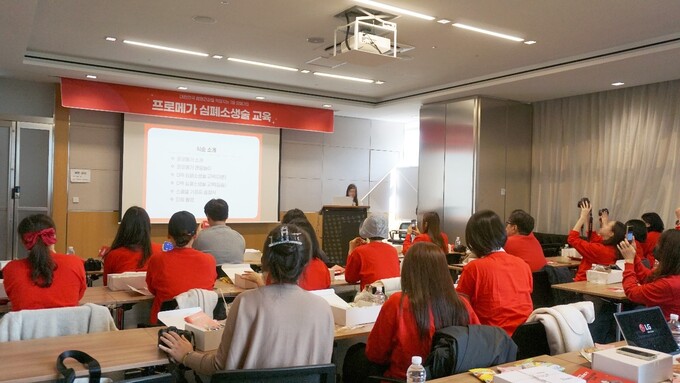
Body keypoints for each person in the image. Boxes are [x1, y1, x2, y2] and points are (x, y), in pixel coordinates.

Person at [159, 224, 334, 374]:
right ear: (305, 264)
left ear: (264, 261)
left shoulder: (245, 303)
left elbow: (219, 367)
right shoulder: (323, 308)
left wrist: (186, 355)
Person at [364, 242, 480, 380]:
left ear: (408, 271)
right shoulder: (462, 304)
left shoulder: (398, 303)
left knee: (357, 356)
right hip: (451, 379)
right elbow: (475, 345)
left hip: (404, 378)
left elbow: (375, 353)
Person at [456, 210, 533, 335]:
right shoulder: (523, 265)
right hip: (525, 338)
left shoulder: (474, 268)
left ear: (474, 239)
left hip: (490, 340)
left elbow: (459, 308)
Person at [3, 214, 86, 311]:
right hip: (67, 326)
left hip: (28, 326)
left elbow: (13, 297)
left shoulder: (11, 269)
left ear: (23, 241)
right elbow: (78, 296)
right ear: (54, 236)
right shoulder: (75, 263)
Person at [146, 211, 217, 324]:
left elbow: (152, 289)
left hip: (164, 326)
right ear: (195, 234)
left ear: (169, 234)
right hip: (200, 325)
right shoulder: (209, 260)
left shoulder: (157, 259)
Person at [618, 230, 680, 320]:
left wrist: (629, 262)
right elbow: (648, 277)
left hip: (664, 328)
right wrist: (634, 256)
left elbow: (632, 292)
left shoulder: (669, 284)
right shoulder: (673, 276)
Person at [102, 206, 161, 286]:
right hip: (154, 297)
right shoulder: (159, 251)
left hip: (120, 297)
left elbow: (107, 286)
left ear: (124, 228)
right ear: (147, 228)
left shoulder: (112, 256)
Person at [568, 200, 626, 281]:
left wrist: (582, 217)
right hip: (597, 283)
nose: (604, 224)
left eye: (607, 224)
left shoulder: (600, 250)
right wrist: (588, 216)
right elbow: (593, 237)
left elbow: (572, 239)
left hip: (583, 283)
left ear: (612, 233)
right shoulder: (614, 249)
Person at [345, 215, 401, 290]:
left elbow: (350, 278)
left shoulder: (359, 251)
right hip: (392, 296)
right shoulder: (393, 250)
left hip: (371, 298)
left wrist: (351, 250)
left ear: (365, 229)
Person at [193, 199, 246, 264]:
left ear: (208, 217)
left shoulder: (200, 237)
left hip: (212, 274)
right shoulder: (240, 238)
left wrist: (197, 235)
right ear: (227, 216)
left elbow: (193, 256)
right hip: (233, 274)